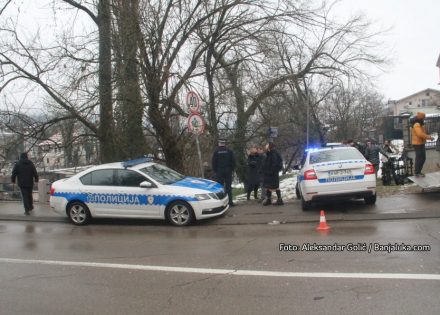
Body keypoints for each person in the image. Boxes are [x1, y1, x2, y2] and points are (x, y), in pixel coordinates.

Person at [212, 139, 236, 206]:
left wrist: (215, 171)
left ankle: (222, 203)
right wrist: (232, 169)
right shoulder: (229, 151)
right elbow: (233, 161)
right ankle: (230, 202)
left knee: (220, 187)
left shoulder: (216, 152)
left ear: (219, 144)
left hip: (219, 171)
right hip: (228, 171)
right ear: (225, 144)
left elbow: (214, 162)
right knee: (228, 187)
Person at [411, 112, 433, 177]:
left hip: (420, 143)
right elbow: (420, 134)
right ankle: (417, 172)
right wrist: (429, 137)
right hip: (417, 144)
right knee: (420, 158)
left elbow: (422, 132)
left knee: (423, 158)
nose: (424, 119)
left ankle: (418, 172)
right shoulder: (416, 124)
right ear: (421, 118)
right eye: (423, 118)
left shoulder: (419, 124)